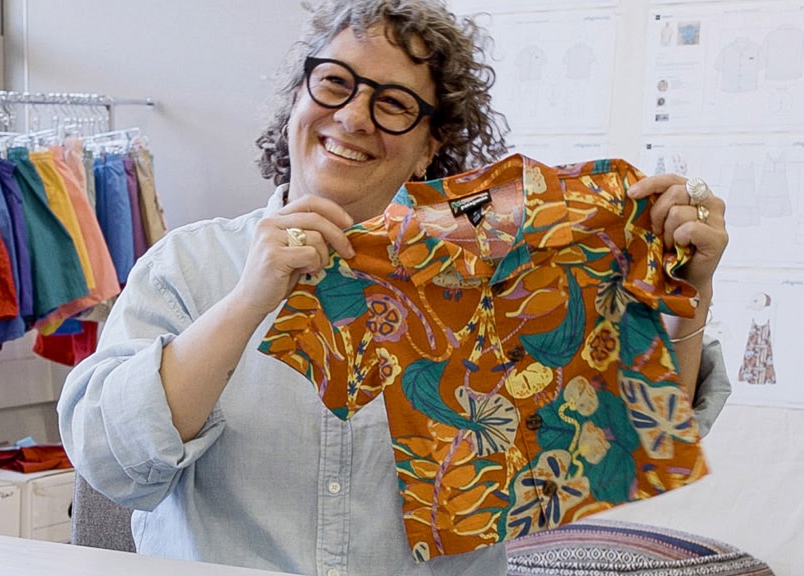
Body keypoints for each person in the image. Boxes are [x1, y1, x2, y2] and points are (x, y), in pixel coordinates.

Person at [57, 1, 731, 574]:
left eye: (395, 104)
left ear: (432, 143)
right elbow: (108, 461)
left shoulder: (504, 283)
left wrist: (688, 285)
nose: (354, 117)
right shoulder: (188, 267)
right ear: (297, 99)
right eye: (334, 83)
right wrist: (246, 302)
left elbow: (637, 426)